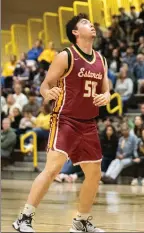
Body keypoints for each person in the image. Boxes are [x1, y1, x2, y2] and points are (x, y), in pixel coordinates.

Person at [13, 14, 110, 233]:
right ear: (75, 32)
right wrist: (49, 93)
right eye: (85, 23)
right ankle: (24, 218)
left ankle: (81, 222)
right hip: (65, 119)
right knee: (53, 169)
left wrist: (107, 96)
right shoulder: (66, 56)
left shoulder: (100, 59)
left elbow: (106, 88)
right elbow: (45, 86)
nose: (91, 24)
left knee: (95, 174)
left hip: (89, 123)